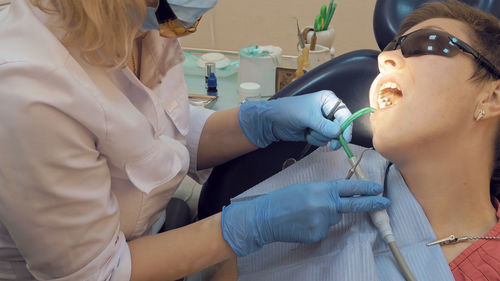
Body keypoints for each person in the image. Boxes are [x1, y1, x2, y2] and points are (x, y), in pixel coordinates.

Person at [0, 0, 390, 280]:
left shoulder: (143, 17)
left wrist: (261, 122)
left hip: (154, 228)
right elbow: (95, 273)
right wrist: (249, 226)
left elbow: (159, 131)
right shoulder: (29, 89)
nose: (391, 62)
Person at [224, 1, 500, 280]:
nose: (384, 59)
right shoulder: (333, 177)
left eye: (424, 43)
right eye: (391, 48)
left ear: (492, 98)